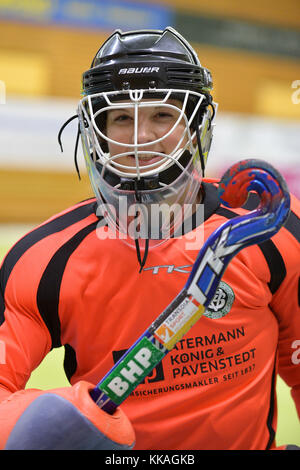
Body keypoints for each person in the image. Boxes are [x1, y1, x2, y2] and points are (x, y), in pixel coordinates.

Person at [0, 26, 299, 451]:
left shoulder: (275, 231)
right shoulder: (42, 260)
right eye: (121, 117)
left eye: (162, 115)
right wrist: (33, 427)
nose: (142, 139)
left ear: (197, 126)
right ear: (94, 128)